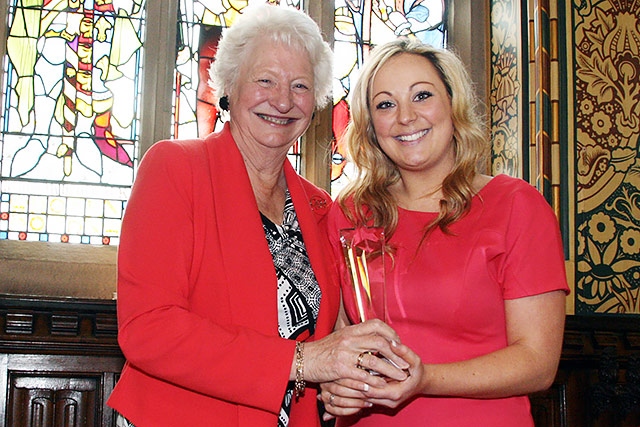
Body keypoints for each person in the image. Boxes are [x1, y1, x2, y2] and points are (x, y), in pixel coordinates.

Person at [107, 5, 409, 427]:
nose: (283, 100)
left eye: (300, 86)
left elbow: (325, 341)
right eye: (265, 80)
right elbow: (148, 329)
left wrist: (345, 378)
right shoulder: (176, 169)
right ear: (229, 85)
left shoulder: (320, 207)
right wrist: (302, 361)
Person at [319, 38, 569, 426]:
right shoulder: (349, 212)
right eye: (386, 104)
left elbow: (538, 363)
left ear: (453, 106)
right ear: (370, 126)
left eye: (422, 96)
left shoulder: (516, 206)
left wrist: (427, 379)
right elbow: (341, 341)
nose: (405, 117)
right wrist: (337, 384)